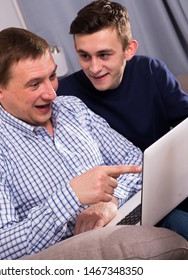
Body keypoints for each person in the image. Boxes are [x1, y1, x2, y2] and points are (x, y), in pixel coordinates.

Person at [0, 27, 143, 260]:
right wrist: (71, 195)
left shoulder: (71, 108)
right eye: (34, 84)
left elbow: (134, 159)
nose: (51, 94)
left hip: (124, 214)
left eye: (52, 77)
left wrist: (111, 203)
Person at [57, 0, 188, 240]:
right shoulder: (63, 96)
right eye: (84, 56)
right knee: (179, 222)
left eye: (104, 55)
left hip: (167, 184)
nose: (94, 68)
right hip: (118, 201)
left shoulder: (150, 70)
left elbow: (185, 123)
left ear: (129, 49)